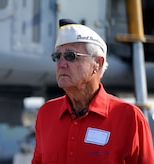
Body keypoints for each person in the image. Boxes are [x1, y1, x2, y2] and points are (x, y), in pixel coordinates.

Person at [31, 19, 154, 164]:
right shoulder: (46, 113)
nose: (61, 64)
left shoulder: (130, 117)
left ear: (97, 64)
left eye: (71, 56)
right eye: (57, 56)